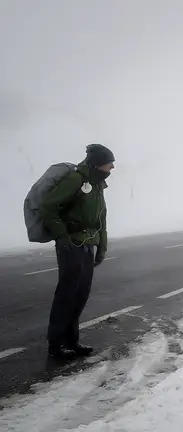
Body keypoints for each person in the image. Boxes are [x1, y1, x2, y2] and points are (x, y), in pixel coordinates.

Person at [40, 144, 114, 359]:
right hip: (72, 245)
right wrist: (62, 236)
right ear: (97, 163)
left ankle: (71, 342)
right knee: (67, 296)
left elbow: (101, 219)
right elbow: (48, 208)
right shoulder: (75, 179)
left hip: (88, 246)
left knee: (80, 296)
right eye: (109, 163)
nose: (112, 167)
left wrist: (102, 247)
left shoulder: (97, 184)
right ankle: (56, 345)